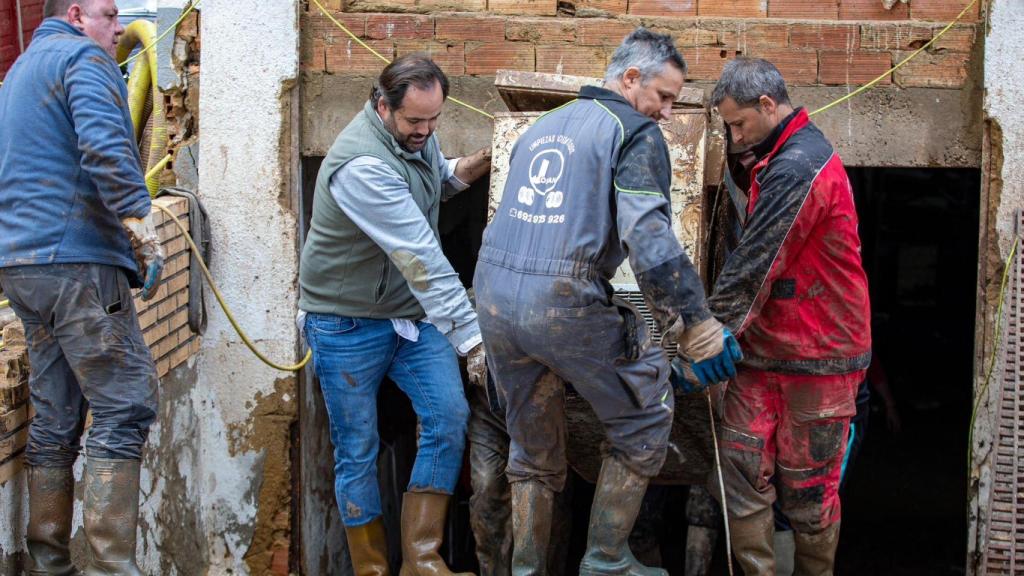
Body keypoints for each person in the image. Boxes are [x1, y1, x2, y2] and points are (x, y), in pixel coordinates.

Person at [473, 27, 741, 576]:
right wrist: (694, 323)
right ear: (630, 78)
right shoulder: (634, 132)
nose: (666, 112)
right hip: (561, 300)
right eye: (664, 97)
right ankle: (606, 559)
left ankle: (526, 570)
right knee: (645, 414)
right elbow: (649, 238)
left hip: (493, 297)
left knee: (532, 448)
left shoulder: (541, 127)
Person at [298, 54, 491, 575]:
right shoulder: (362, 166)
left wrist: (484, 160)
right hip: (346, 321)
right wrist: (472, 341)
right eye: (414, 122)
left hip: (407, 318)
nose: (425, 132)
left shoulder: (415, 141)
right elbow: (421, 259)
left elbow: (437, 179)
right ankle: (371, 569)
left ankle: (422, 561)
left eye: (433, 121)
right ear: (382, 106)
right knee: (357, 449)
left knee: (448, 416)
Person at [0, 0, 165, 574]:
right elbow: (105, 147)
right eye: (108, 13)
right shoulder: (82, 59)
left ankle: (49, 564)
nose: (118, 28)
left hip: (22, 265)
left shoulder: (22, 69)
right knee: (124, 409)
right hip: (76, 263)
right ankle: (108, 569)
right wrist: (139, 223)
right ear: (76, 14)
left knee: (56, 415)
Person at [706, 57, 872, 575]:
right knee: (741, 472)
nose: (732, 137)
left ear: (768, 105)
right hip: (762, 353)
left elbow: (757, 260)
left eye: (738, 124)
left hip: (819, 357)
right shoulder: (771, 156)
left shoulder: (802, 165)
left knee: (808, 496)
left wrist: (707, 336)